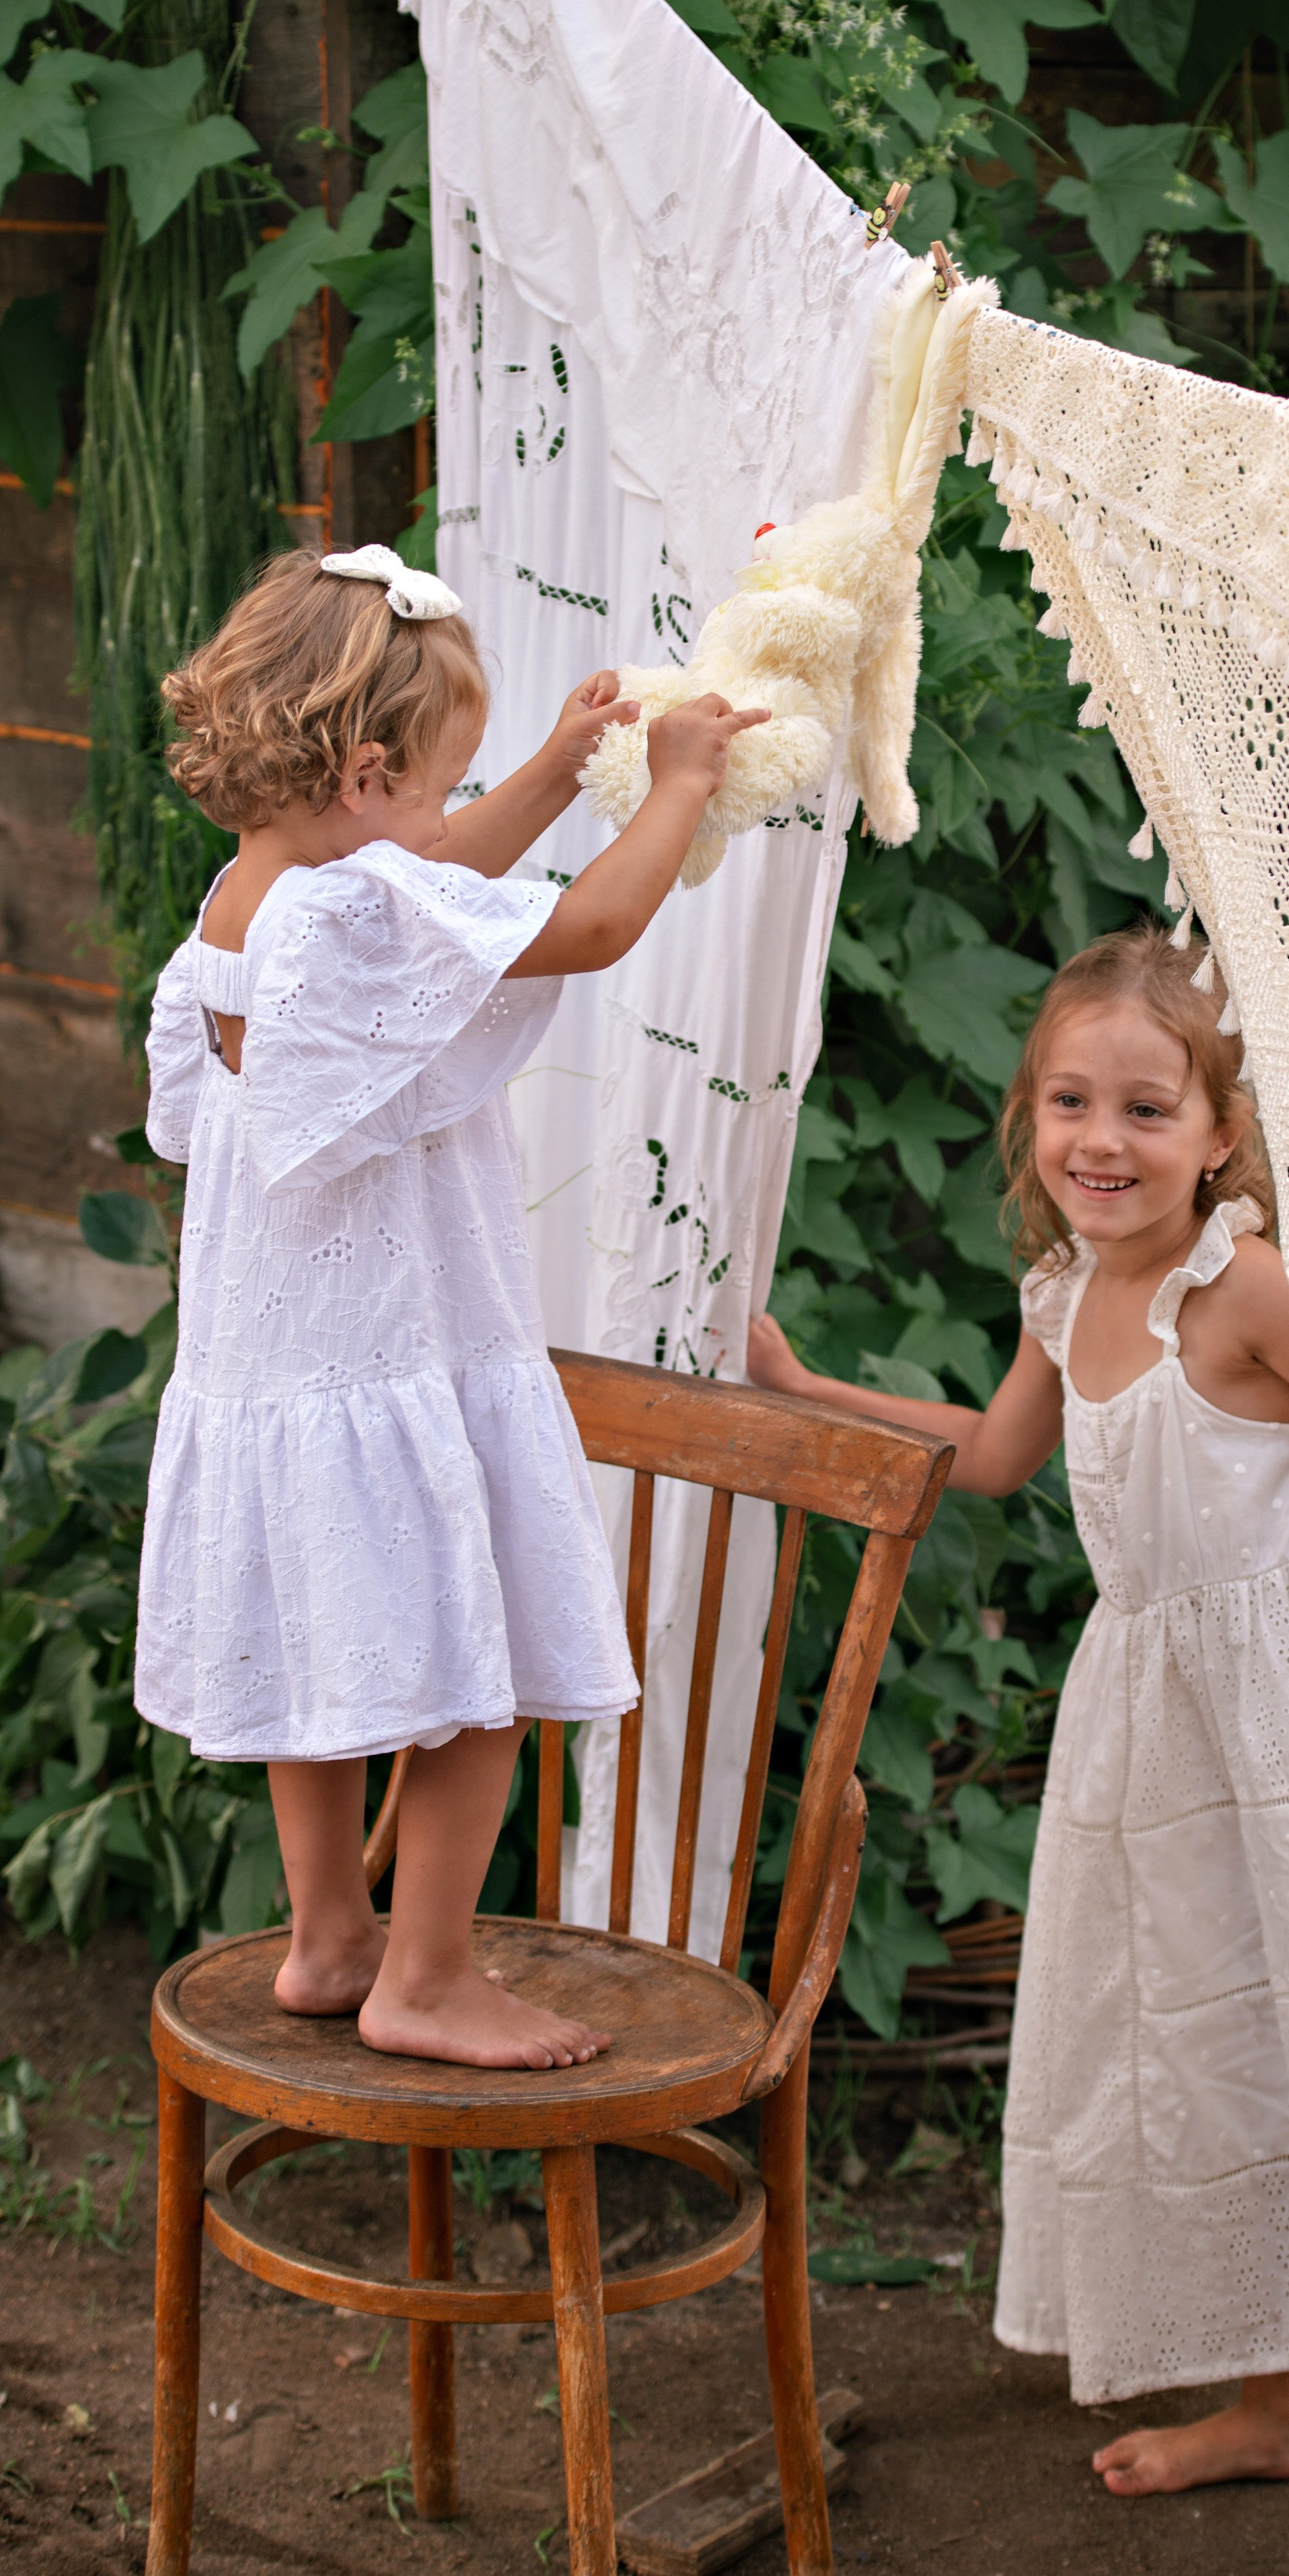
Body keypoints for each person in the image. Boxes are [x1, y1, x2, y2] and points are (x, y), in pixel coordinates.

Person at [748, 923, 1289, 2491]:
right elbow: (994, 1458)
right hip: (1152, 1717)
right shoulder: (1062, 1301)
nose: (1102, 1140)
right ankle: (1284, 2402)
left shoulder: (1245, 1289)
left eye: (1147, 1108)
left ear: (1220, 1134)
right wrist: (806, 1392)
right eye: (1070, 1102)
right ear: (1030, 1117)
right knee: (1210, 2034)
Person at [137, 542, 768, 2070]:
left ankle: (329, 1939)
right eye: (437, 786)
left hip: (286, 1371)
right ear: (365, 776)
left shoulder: (256, 896)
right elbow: (587, 929)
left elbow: (430, 880)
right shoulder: (352, 909)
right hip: (396, 1343)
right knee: (478, 1670)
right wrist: (675, 783)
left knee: (325, 1663)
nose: (445, 815)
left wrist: (547, 770)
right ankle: (425, 1977)